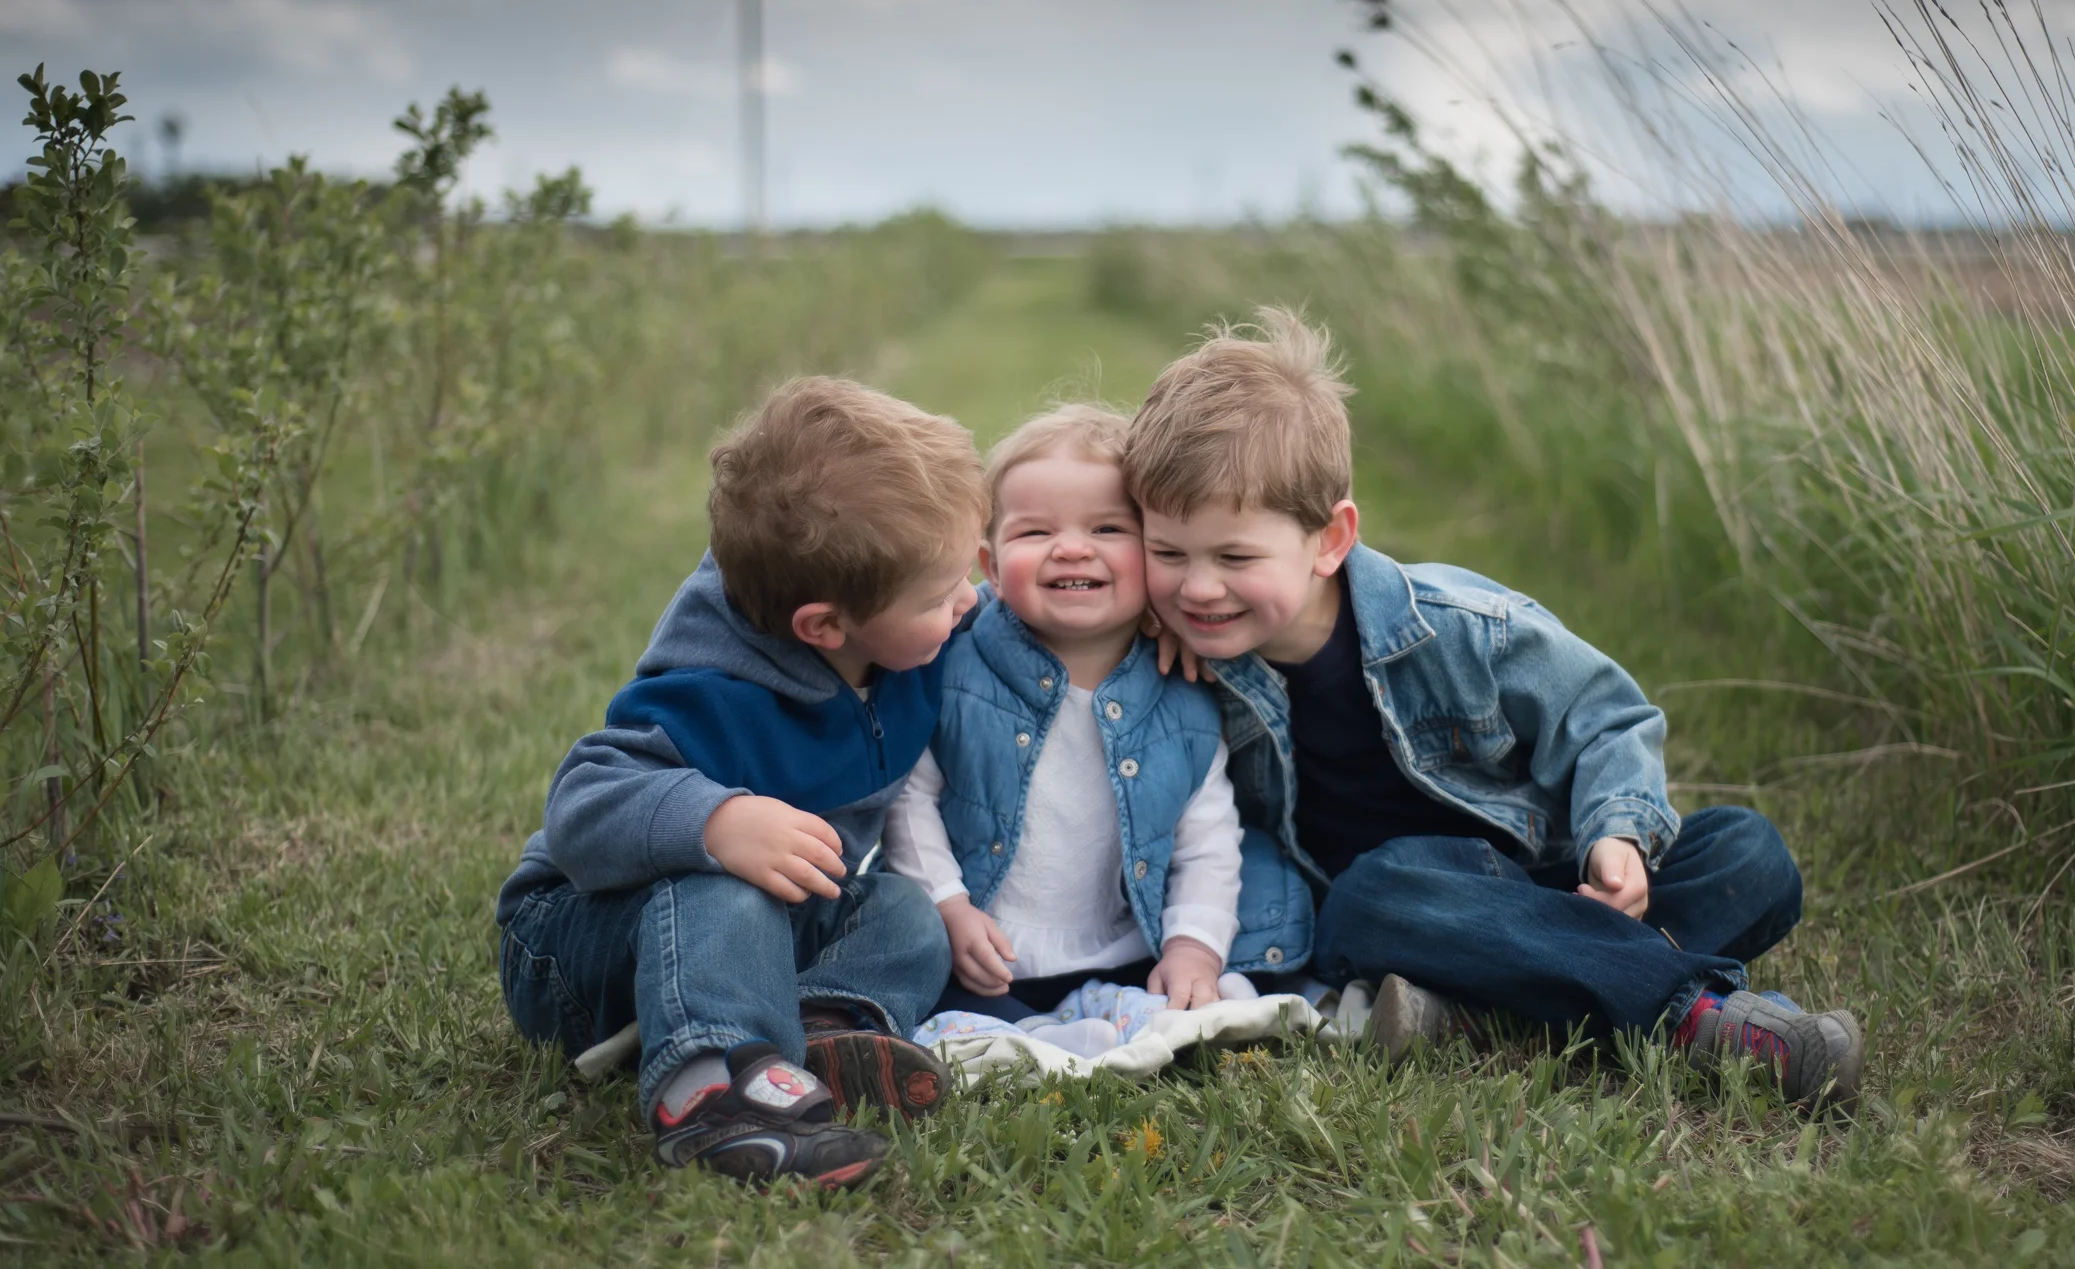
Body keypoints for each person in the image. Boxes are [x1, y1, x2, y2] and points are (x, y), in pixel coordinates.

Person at [1124, 310, 1867, 1111]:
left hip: (1540, 876)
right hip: (1394, 907)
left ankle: (1486, 1006)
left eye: (1235, 557)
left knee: (1751, 855)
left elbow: (1605, 719)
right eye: (1167, 555)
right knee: (1375, 888)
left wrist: (1615, 836)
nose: (1197, 587)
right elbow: (1043, 610)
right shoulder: (1182, 654)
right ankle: (1694, 1017)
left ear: (1330, 539)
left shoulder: (1462, 626)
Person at [494, 377, 980, 1187]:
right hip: (576, 947)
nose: (969, 602)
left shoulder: (901, 635)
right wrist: (717, 822)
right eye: (942, 594)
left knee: (905, 912)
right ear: (824, 626)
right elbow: (581, 804)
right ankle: (717, 1096)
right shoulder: (714, 690)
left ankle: (821, 1030)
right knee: (723, 887)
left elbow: (1010, 633)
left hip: (754, 939)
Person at [884, 404, 1309, 1037]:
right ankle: (1009, 1033)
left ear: (1154, 557)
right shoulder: (949, 668)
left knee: (1194, 994)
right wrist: (945, 904)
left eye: (1109, 529)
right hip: (980, 949)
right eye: (1034, 533)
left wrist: (1192, 945)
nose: (1072, 548)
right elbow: (908, 800)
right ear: (992, 566)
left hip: (1127, 951)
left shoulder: (1184, 692)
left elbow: (1208, 839)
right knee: (938, 999)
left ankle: (1104, 1024)